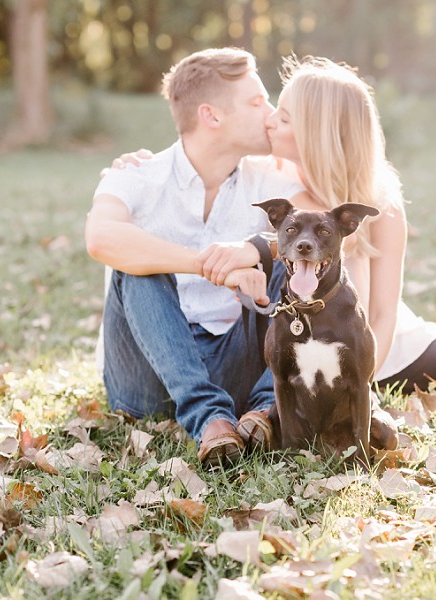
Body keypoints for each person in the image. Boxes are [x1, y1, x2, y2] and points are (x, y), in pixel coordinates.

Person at [114, 57, 436, 415]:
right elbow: (204, 165)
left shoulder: (380, 198)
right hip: (318, 353)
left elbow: (383, 312)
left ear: (314, 131)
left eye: (283, 118)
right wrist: (140, 164)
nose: (270, 121)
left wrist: (364, 378)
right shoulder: (275, 186)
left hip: (386, 347)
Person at [85, 48, 313, 467]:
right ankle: (208, 418)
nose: (269, 112)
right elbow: (101, 237)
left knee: (299, 253)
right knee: (137, 262)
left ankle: (264, 410)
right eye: (256, 101)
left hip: (238, 363)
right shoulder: (137, 175)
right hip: (146, 378)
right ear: (211, 116)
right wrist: (212, 266)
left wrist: (254, 251)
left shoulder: (271, 181)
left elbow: (321, 233)